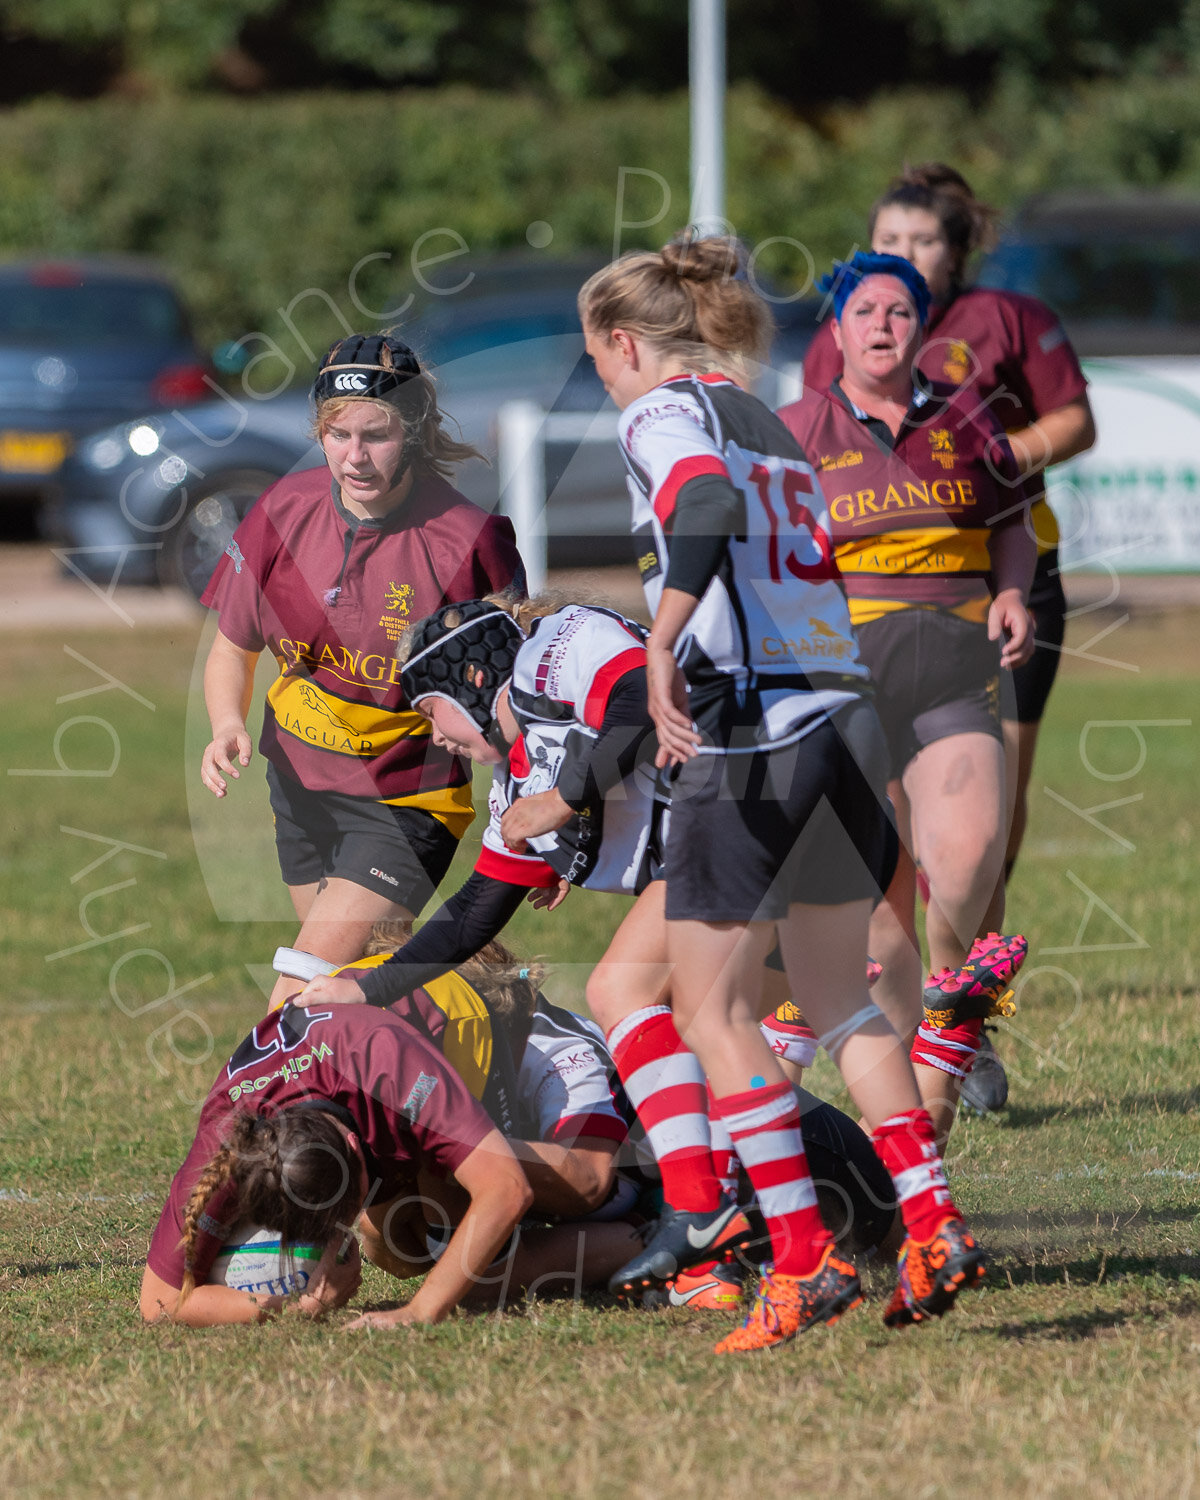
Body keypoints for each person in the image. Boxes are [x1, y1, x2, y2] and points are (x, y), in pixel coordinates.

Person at [578, 233, 987, 1353]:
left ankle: (798, 1266)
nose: (604, 383)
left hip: (755, 732)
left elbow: (701, 510)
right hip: (844, 721)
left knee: (712, 1011)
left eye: (599, 362)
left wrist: (662, 642)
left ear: (623, 344)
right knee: (836, 997)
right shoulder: (768, 419)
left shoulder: (664, 415)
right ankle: (931, 1225)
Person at [294, 595, 903, 1304]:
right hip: (777, 836)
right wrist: (363, 990)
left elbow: (641, 697)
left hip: (777, 800)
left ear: (468, 673)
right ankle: (899, 1218)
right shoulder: (516, 784)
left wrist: (567, 801)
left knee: (625, 993)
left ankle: (702, 1218)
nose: (436, 739)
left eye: (431, 713)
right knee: (706, 1022)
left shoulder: (558, 643)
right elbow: (468, 919)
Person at [778, 250, 1035, 1144]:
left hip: (954, 679)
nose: (883, 325)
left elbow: (1012, 525)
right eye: (866, 311)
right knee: (878, 933)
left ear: (923, 327)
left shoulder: (969, 420)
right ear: (836, 329)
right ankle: (919, 1123)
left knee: (967, 861)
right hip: (844, 693)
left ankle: (952, 1005)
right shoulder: (796, 428)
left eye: (899, 310)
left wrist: (1010, 593)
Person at [198, 333, 524, 1013]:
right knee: (367, 995)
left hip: (407, 801)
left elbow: (520, 694)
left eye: (375, 435)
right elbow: (233, 645)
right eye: (337, 435)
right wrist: (226, 722)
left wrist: (539, 812)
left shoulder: (468, 540)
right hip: (298, 784)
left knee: (301, 988)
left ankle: (248, 1116)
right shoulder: (282, 512)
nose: (354, 456)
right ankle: (459, 1076)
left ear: (412, 431)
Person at [801, 163, 1095, 893]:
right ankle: (903, 920)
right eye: (889, 236)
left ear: (955, 250)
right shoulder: (844, 329)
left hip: (1010, 575)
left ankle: (976, 931)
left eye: (923, 238)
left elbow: (1076, 421)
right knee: (887, 773)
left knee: (999, 771)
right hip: (879, 590)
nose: (905, 249)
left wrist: (1000, 458)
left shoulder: (1009, 318)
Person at [139, 1001, 533, 1328]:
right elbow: (160, 1301)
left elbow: (507, 1187)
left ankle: (597, 1245)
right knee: (394, 1248)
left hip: (482, 1020)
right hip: (356, 1068)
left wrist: (421, 1310)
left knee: (569, 1197)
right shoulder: (231, 1139)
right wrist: (299, 1309)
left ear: (354, 1142)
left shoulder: (392, 1070)